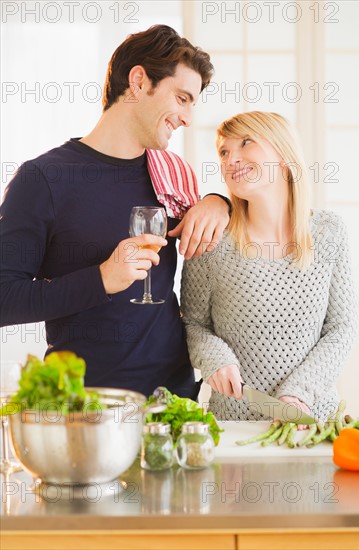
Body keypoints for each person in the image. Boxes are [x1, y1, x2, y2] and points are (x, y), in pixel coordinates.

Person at [0, 25, 231, 400]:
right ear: (138, 81)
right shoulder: (43, 179)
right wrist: (101, 280)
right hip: (86, 409)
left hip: (172, 401)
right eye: (182, 97)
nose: (188, 118)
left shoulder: (171, 176)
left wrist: (221, 202)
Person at [181, 111, 357, 423]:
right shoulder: (212, 240)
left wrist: (298, 392)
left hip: (314, 424)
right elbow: (192, 324)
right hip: (233, 425)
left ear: (284, 155)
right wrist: (214, 359)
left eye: (245, 143)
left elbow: (341, 328)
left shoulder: (330, 231)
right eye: (223, 151)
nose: (230, 158)